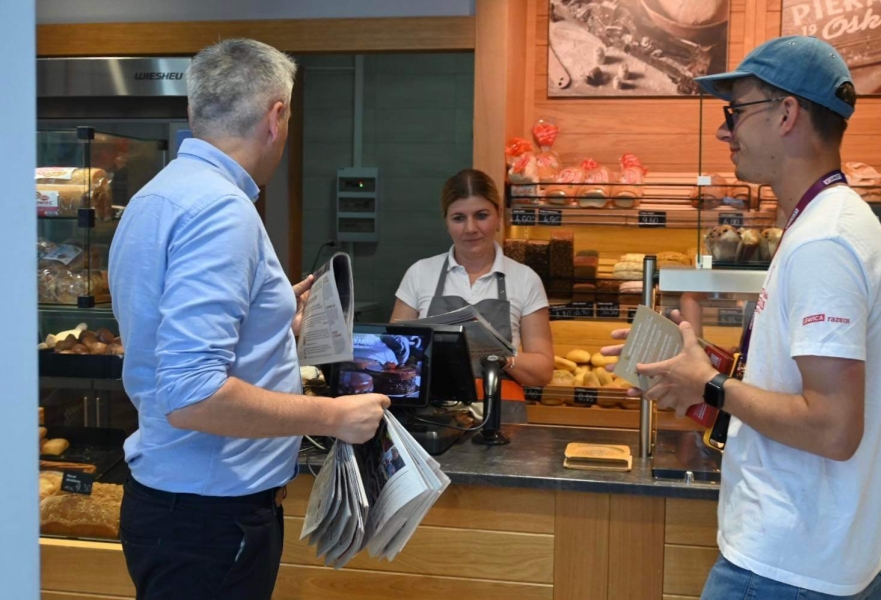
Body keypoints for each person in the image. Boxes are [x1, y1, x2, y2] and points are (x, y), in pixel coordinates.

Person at [603, 36, 881, 598]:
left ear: (787, 114)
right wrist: (697, 381)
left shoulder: (825, 242)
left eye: (735, 112)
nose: (725, 131)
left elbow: (833, 427)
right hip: (827, 559)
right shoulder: (829, 224)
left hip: (788, 569)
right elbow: (800, 397)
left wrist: (712, 385)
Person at [108, 39, 390, 600]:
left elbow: (170, 341)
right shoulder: (221, 209)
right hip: (211, 518)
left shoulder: (156, 196)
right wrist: (333, 416)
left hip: (178, 506)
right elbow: (193, 394)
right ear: (276, 116)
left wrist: (271, 320)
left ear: (196, 109)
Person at [390, 169, 554, 388]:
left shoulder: (525, 279)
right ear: (446, 223)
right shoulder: (419, 273)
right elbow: (394, 352)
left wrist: (500, 356)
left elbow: (543, 373)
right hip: (432, 409)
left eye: (481, 216)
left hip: (499, 407)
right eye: (459, 218)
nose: (470, 228)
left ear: (499, 217)